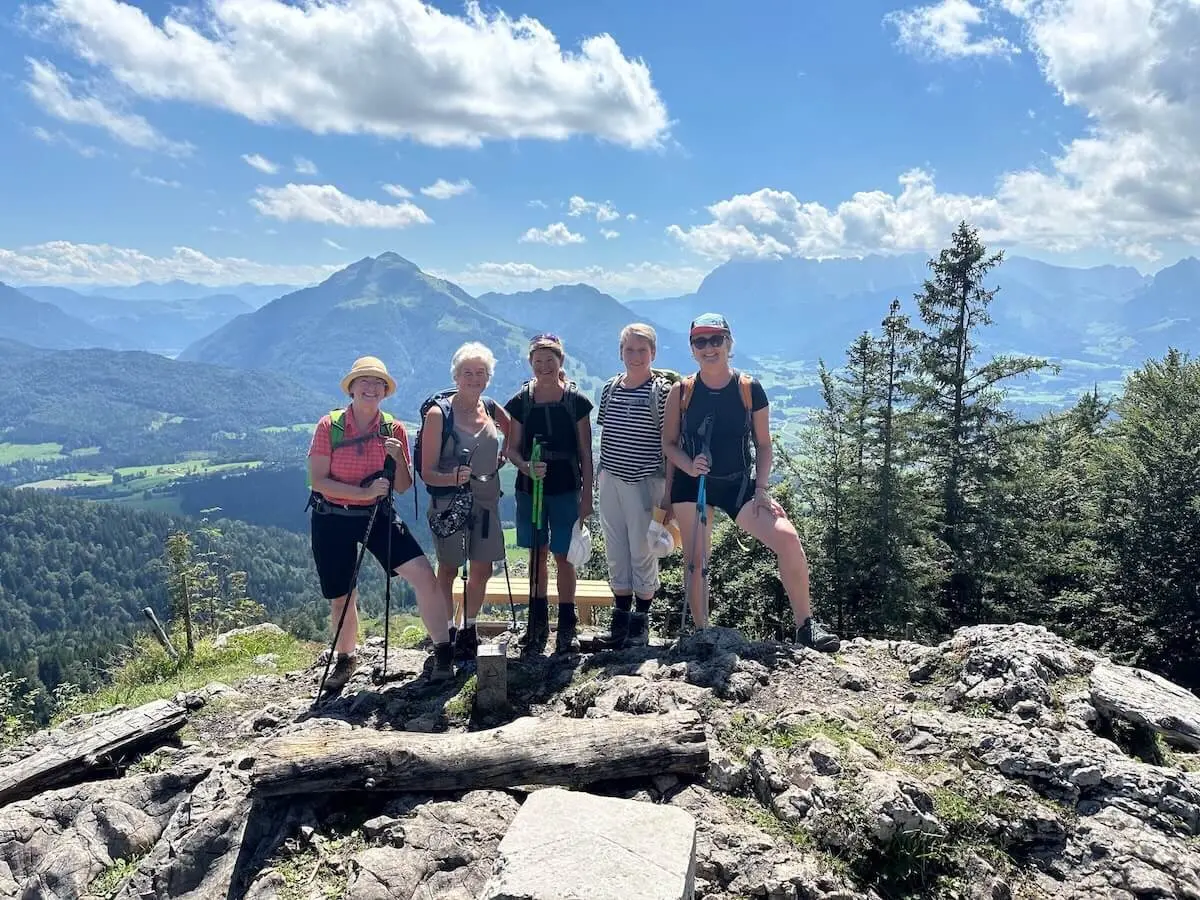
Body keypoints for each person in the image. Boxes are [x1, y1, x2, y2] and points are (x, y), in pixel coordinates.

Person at [662, 314, 840, 652]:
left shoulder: (748, 389)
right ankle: (702, 633)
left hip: (738, 485)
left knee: (787, 538)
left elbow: (764, 444)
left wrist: (761, 489)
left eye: (716, 340)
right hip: (692, 483)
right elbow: (668, 444)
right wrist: (689, 465)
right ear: (692, 348)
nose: (709, 348)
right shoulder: (681, 391)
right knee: (697, 560)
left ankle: (806, 626)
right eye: (701, 341)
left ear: (729, 343)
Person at [307, 356, 454, 689]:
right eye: (365, 381)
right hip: (332, 517)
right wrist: (366, 492)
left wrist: (399, 457)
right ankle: (346, 659)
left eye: (378, 383)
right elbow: (318, 481)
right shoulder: (329, 426)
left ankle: (444, 650)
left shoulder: (393, 429)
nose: (371, 388)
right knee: (342, 595)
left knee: (424, 575)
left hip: (377, 514)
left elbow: (402, 485)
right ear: (352, 388)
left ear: (385, 391)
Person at [419, 342, 510, 663]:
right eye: (467, 372)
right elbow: (426, 471)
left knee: (482, 569)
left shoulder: (491, 408)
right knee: (448, 569)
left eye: (480, 372)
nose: (474, 378)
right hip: (449, 505)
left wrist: (504, 455)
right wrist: (451, 478)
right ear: (456, 376)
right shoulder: (438, 416)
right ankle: (446, 635)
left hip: (486, 503)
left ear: (488, 377)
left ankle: (468, 628)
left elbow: (513, 429)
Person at [504, 334, 594, 656]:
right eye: (538, 361)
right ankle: (537, 624)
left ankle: (566, 626)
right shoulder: (521, 401)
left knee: (564, 556)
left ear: (560, 362)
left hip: (566, 486)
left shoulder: (576, 401)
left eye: (549, 361)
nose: (544, 367)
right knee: (537, 554)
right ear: (530, 363)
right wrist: (526, 466)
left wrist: (587, 496)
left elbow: (585, 452)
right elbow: (511, 450)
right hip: (530, 488)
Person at [593, 323, 675, 649]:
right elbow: (606, 432)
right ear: (621, 352)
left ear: (653, 352)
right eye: (629, 349)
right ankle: (619, 623)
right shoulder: (610, 388)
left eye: (642, 350)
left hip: (645, 482)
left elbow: (671, 443)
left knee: (643, 551)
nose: (636, 356)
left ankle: (640, 624)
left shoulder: (662, 392)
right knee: (616, 551)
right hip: (611, 478)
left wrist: (669, 496)